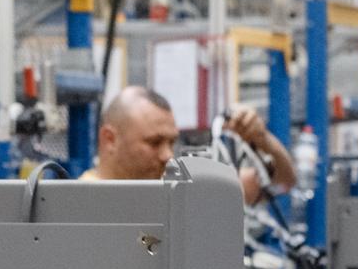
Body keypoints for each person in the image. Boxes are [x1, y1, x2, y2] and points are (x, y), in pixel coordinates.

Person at [81, 86, 295, 206]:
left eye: (171, 142)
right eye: (154, 142)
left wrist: (261, 138)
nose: (167, 155)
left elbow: (282, 181)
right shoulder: (81, 206)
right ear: (110, 139)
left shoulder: (182, 195)